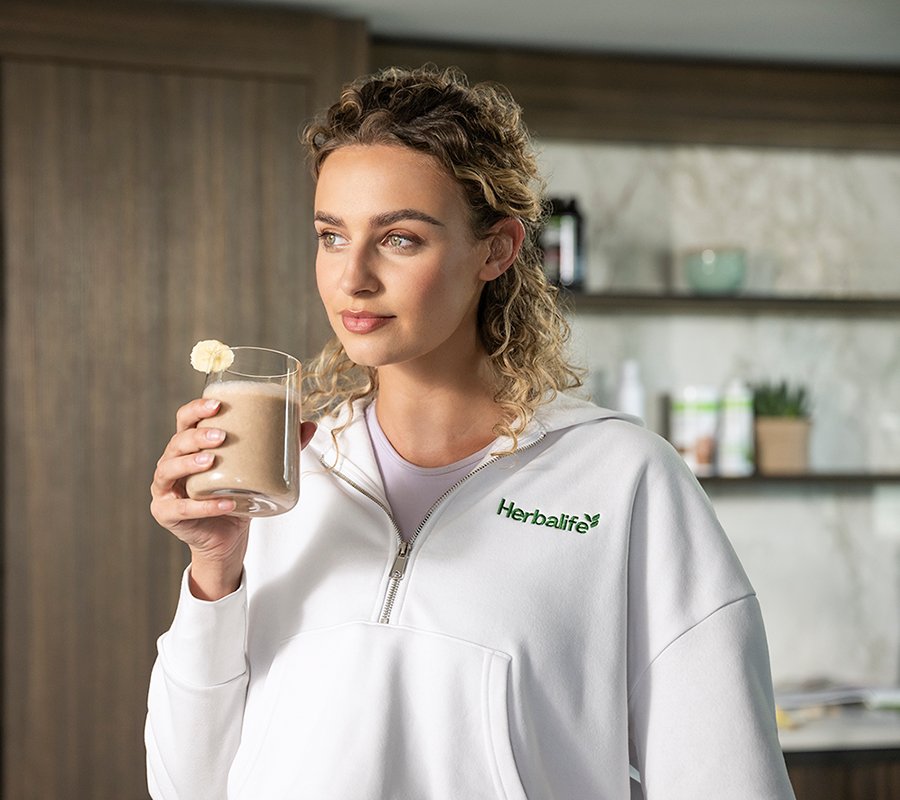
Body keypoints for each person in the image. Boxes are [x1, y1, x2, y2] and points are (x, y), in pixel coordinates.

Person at [146, 65, 796, 799]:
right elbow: (188, 785)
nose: (352, 278)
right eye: (331, 236)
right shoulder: (283, 481)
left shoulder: (623, 480)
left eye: (398, 239)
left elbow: (728, 780)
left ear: (497, 250)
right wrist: (214, 571)